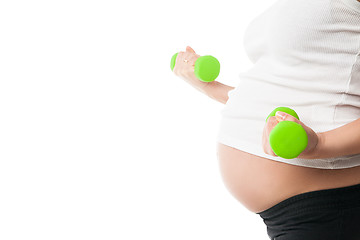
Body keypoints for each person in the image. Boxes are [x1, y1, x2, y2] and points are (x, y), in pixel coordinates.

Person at [172, 0, 360, 239]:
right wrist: (210, 88)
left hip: (327, 210)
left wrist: (321, 144)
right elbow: (290, 90)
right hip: (295, 216)